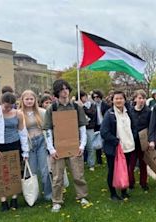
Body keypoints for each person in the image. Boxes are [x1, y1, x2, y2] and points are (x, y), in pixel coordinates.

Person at [43, 79, 90, 213]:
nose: (65, 91)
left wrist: (82, 145)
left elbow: (82, 127)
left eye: (67, 88)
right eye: (62, 89)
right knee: (57, 177)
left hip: (75, 146)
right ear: (57, 92)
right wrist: (51, 149)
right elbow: (48, 130)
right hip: (58, 148)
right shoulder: (52, 108)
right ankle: (57, 201)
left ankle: (82, 196)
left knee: (78, 174)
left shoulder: (76, 107)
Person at [0, 92, 29, 211]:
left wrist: (25, 151)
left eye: (11, 106)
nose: (8, 108)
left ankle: (14, 198)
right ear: (1, 103)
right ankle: (3, 201)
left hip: (14, 143)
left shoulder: (18, 114)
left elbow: (22, 132)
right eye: (6, 106)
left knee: (15, 172)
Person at [100, 91, 136, 201]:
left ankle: (124, 191)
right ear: (113, 100)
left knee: (125, 169)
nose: (119, 100)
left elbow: (134, 127)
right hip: (114, 148)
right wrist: (116, 141)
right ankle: (113, 193)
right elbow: (104, 132)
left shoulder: (129, 112)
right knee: (112, 170)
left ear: (125, 100)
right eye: (116, 98)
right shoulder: (109, 114)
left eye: (121, 98)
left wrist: (132, 137)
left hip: (128, 147)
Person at [19, 90, 52, 202]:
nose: (29, 101)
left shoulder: (41, 112)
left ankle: (48, 194)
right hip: (29, 144)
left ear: (35, 100)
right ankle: (34, 194)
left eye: (31, 99)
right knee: (32, 171)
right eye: (27, 99)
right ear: (22, 100)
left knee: (44, 169)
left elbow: (48, 128)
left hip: (41, 142)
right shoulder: (19, 114)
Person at [128, 89, 151, 191]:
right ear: (135, 99)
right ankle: (130, 182)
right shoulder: (130, 111)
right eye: (140, 98)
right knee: (131, 163)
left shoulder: (148, 111)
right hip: (132, 140)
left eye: (143, 98)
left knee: (143, 163)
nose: (142, 100)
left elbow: (151, 126)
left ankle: (143, 183)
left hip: (143, 140)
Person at [77, 91, 97, 171]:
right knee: (79, 147)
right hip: (79, 128)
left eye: (85, 96)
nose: (85, 98)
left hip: (89, 128)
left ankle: (91, 164)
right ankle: (79, 164)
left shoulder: (91, 105)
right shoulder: (76, 105)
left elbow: (92, 114)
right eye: (82, 96)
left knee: (91, 147)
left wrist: (83, 107)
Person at [92, 90, 109, 165]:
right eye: (94, 97)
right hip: (97, 126)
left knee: (106, 142)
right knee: (97, 142)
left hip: (104, 126)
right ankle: (99, 161)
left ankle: (108, 157)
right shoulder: (93, 106)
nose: (96, 98)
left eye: (97, 96)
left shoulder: (105, 105)